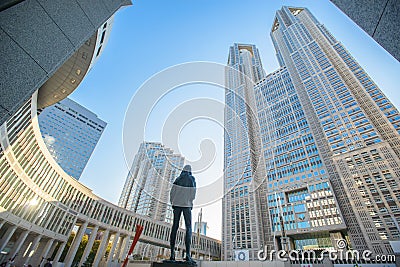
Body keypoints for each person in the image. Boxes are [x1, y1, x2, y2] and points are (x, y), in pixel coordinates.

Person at [168, 165, 196, 265]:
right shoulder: (191, 178)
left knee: (174, 227)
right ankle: (188, 255)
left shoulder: (178, 179)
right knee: (188, 228)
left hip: (177, 204)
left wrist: (173, 202)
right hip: (186, 204)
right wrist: (189, 201)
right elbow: (193, 193)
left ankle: (172, 254)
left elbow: (172, 193)